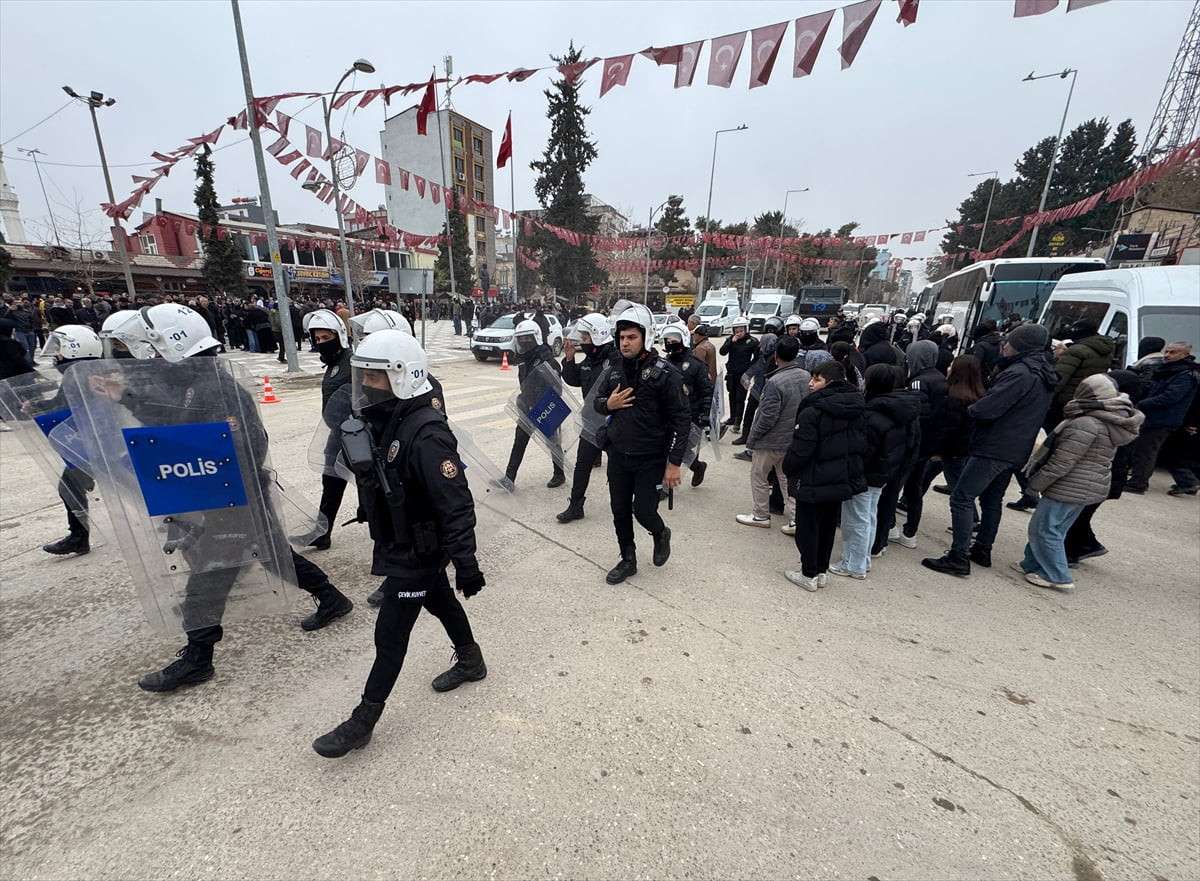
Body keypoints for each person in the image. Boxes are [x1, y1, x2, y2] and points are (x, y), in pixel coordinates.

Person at [84, 304, 354, 692]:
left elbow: (249, 444)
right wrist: (126, 396)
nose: (152, 356)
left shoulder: (216, 388)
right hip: (225, 494)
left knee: (209, 576)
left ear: (175, 346)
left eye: (157, 348)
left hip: (234, 495)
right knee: (275, 554)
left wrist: (210, 468)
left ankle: (198, 659)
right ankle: (331, 598)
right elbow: (176, 422)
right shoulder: (194, 382)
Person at [312, 330, 487, 758]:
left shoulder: (427, 433)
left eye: (373, 378)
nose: (365, 386)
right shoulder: (390, 418)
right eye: (363, 377)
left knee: (389, 636)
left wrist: (467, 563)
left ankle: (364, 719)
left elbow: (457, 504)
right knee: (441, 599)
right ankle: (471, 659)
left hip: (419, 550)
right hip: (402, 542)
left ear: (402, 378)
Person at [922, 323, 1058, 577]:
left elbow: (988, 408)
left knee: (962, 496)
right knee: (991, 499)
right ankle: (983, 548)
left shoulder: (1020, 373)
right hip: (1017, 446)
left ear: (1020, 345)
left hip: (995, 445)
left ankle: (958, 555)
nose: (1002, 347)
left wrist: (971, 410)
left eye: (1007, 343)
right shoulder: (1042, 373)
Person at [590, 304, 691, 584]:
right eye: (622, 337)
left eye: (632, 337)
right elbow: (597, 403)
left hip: (651, 458)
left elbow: (682, 421)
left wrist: (674, 463)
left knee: (644, 510)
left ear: (645, 337)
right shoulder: (613, 371)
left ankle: (660, 532)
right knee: (619, 510)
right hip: (619, 454)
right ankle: (628, 558)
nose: (625, 342)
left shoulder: (666, 374)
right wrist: (607, 404)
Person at [1014, 374, 1143, 591]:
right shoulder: (1111, 419)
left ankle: (1057, 575)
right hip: (1091, 484)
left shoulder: (1085, 422)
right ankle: (1032, 563)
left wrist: (1035, 483)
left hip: (1070, 485)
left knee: (1044, 529)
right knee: (1057, 528)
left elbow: (1061, 462)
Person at [1008, 318, 1118, 512]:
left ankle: (1030, 491)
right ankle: (1032, 492)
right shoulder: (1106, 351)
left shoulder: (1076, 351)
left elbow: (1057, 379)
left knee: (1032, 448)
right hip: (1084, 404)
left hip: (1061, 406)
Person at [782, 361, 867, 592]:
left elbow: (802, 448)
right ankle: (820, 570)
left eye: (816, 379)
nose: (810, 384)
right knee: (828, 526)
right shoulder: (856, 408)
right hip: (840, 477)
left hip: (813, 477)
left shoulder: (813, 411)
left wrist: (788, 467)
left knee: (808, 527)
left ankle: (808, 573)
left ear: (829, 382)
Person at [34, 325, 104, 556]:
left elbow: (62, 405)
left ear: (75, 349)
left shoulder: (79, 375)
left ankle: (78, 537)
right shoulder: (84, 371)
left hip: (93, 445)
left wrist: (38, 407)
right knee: (70, 487)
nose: (56, 355)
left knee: (70, 488)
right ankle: (78, 537)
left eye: (60, 349)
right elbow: (61, 403)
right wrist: (38, 406)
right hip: (94, 443)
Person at [735, 334, 808, 535]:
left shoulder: (775, 382)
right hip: (792, 438)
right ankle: (796, 519)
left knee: (759, 476)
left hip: (770, 440)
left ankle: (760, 514)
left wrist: (752, 438)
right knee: (786, 479)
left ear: (776, 355)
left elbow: (767, 416)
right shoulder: (805, 376)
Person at [298, 309, 354, 550]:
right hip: (337, 436)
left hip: (356, 437)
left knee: (372, 489)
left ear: (339, 336)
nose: (321, 344)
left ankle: (388, 544)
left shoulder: (352, 363)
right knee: (330, 482)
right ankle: (322, 532)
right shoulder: (333, 364)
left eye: (325, 339)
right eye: (317, 340)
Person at [557, 313, 617, 522]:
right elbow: (575, 379)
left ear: (598, 335)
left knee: (620, 467)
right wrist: (570, 358)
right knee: (582, 464)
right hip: (592, 419)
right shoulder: (589, 360)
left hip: (615, 422)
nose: (582, 341)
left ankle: (630, 504)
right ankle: (575, 505)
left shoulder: (616, 358)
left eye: (585, 338)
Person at [889, 340, 948, 549]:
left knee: (895, 485)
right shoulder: (940, 378)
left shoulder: (918, 382)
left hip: (915, 445)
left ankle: (891, 527)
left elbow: (914, 413)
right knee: (915, 489)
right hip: (929, 445)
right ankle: (910, 531)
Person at [863, 365, 923, 561]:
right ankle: (880, 541)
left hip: (883, 465)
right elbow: (914, 439)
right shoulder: (907, 405)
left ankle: (875, 544)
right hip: (900, 463)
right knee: (885, 503)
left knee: (873, 507)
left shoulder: (883, 408)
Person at [1125, 341, 1200, 494]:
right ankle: (1187, 482)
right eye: (1166, 351)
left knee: (1145, 451)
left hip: (1163, 419)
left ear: (1185, 355)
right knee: (1158, 451)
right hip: (1158, 416)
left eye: (1173, 352)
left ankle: (1138, 483)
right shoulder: (1169, 370)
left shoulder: (1186, 374)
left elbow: (1171, 397)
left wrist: (1141, 404)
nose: (1167, 355)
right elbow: (1154, 388)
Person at [504, 319, 566, 489]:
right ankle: (509, 479)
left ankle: (559, 474)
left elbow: (557, 385)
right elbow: (525, 383)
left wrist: (544, 404)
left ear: (536, 337)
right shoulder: (523, 359)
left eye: (527, 338)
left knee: (553, 443)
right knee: (519, 441)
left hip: (545, 407)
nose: (524, 342)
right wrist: (522, 399)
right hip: (528, 406)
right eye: (521, 339)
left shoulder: (545, 357)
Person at [660, 320, 714, 488]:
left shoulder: (696, 365)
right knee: (667, 450)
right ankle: (663, 486)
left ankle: (697, 466)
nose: (670, 344)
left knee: (680, 450)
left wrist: (706, 413)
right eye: (667, 341)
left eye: (674, 341)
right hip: (667, 414)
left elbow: (707, 390)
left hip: (690, 414)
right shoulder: (663, 364)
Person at [732, 315, 781, 446]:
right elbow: (754, 367)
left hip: (768, 392)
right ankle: (745, 436)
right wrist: (747, 378)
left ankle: (756, 440)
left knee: (762, 417)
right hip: (756, 389)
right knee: (749, 413)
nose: (762, 347)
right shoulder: (762, 356)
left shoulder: (776, 358)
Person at [719, 317, 757, 428]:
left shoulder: (752, 341)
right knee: (732, 395)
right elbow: (722, 352)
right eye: (736, 331)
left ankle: (738, 421)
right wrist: (731, 342)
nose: (738, 333)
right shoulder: (731, 340)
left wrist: (750, 369)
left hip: (744, 374)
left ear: (746, 329)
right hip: (732, 373)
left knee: (740, 398)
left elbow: (757, 357)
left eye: (741, 331)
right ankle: (732, 417)